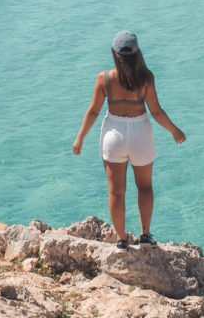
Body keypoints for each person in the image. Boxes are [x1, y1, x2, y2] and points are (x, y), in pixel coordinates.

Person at [72, 30, 186, 250]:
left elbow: (94, 111)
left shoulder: (104, 78)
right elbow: (157, 112)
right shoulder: (146, 78)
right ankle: (144, 236)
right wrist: (174, 130)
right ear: (137, 53)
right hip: (140, 133)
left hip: (113, 134)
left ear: (114, 53)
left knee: (116, 191)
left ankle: (122, 240)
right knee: (144, 186)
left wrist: (80, 138)